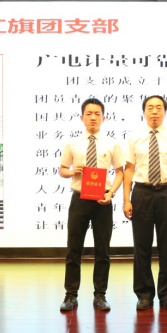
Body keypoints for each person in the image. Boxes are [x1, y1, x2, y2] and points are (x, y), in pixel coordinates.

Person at [123, 95, 167, 312]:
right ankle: (144, 295)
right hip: (142, 193)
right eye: (150, 108)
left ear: (165, 112)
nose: (154, 112)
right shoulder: (134, 137)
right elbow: (129, 170)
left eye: (159, 108)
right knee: (141, 247)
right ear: (143, 112)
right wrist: (126, 199)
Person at [58, 98, 125, 312]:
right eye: (89, 114)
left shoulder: (112, 144)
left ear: (103, 118)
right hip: (79, 199)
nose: (93, 117)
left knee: (102, 250)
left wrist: (111, 193)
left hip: (102, 200)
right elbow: (62, 170)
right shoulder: (73, 143)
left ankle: (100, 295)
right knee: (73, 249)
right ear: (82, 117)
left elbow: (120, 172)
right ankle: (70, 295)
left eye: (97, 114)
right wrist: (73, 171)